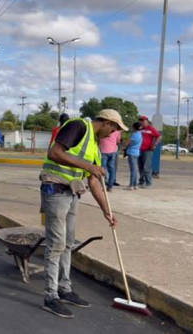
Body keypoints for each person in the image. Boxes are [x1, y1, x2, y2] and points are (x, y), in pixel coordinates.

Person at [39, 109, 122, 318]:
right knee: (56, 244)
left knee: (68, 243)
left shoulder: (94, 146)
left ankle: (64, 289)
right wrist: (87, 166)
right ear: (105, 122)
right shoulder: (78, 126)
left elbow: (93, 181)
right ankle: (50, 296)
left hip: (72, 193)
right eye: (114, 128)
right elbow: (54, 153)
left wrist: (106, 211)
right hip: (55, 190)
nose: (113, 133)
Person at [138, 116, 161, 188]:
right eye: (141, 121)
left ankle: (148, 183)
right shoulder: (140, 129)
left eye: (143, 121)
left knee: (146, 167)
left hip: (148, 150)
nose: (142, 122)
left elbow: (159, 136)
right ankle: (141, 182)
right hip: (139, 150)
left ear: (147, 121)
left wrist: (155, 144)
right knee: (140, 166)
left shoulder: (151, 129)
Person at [125, 122, 142, 190]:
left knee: (133, 170)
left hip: (131, 152)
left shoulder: (133, 135)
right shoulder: (140, 134)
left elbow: (127, 143)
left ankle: (131, 185)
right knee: (135, 169)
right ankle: (135, 184)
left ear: (134, 127)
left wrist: (124, 143)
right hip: (137, 152)